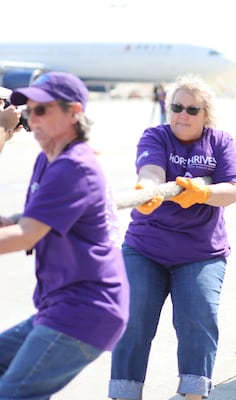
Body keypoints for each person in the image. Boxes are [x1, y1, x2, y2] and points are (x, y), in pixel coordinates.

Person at [109, 75, 236, 400]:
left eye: (192, 109)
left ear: (205, 114)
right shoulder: (156, 136)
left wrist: (203, 192)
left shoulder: (220, 141)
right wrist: (147, 189)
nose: (182, 114)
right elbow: (151, 171)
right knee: (133, 319)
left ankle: (194, 393)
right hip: (146, 249)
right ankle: (124, 393)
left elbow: (232, 191)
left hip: (201, 253)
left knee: (199, 319)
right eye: (177, 107)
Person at [0, 72, 130, 398]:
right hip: (58, 306)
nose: (32, 118)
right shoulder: (48, 161)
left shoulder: (75, 165)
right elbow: (27, 221)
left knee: (14, 393)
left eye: (41, 110)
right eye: (29, 111)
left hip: (85, 310)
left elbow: (27, 235)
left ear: (73, 113)